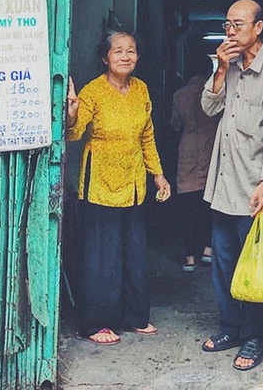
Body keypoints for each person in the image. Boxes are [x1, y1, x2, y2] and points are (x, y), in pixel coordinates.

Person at [200, 0, 263, 371]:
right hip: (223, 182)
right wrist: (221, 70)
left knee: (254, 266)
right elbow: (209, 109)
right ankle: (232, 327)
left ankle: (258, 335)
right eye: (227, 25)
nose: (230, 31)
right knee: (222, 262)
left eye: (238, 24)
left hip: (255, 187)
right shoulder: (231, 66)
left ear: (258, 28)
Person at [66, 29, 171, 345]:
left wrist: (158, 175)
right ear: (105, 57)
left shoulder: (140, 90)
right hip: (100, 182)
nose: (126, 57)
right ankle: (95, 323)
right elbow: (73, 134)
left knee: (133, 253)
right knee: (102, 256)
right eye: (118, 51)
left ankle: (134, 316)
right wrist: (71, 112)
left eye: (131, 51)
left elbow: (147, 136)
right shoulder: (93, 91)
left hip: (134, 182)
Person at [170, 50, 219, 271]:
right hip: (211, 149)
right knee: (209, 203)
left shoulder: (179, 95)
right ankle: (208, 249)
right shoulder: (215, 92)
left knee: (187, 206)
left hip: (187, 151)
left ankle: (189, 257)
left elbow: (175, 124)